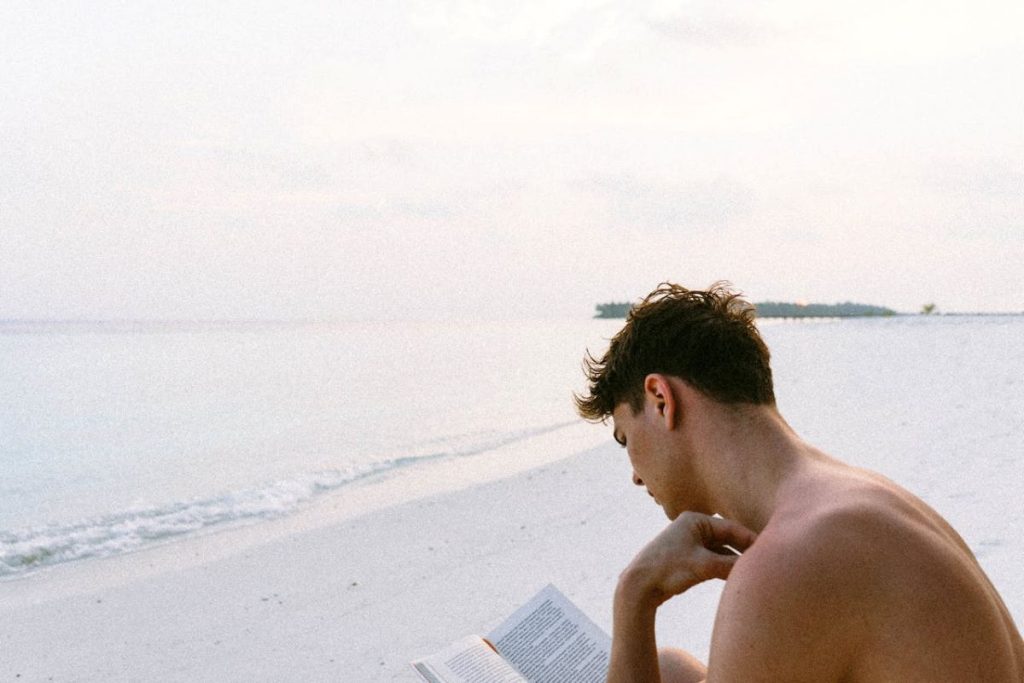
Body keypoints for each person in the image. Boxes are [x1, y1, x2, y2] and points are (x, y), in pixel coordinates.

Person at [575, 282, 1023, 682]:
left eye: (624, 438)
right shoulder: (858, 501)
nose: (635, 473)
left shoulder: (791, 560)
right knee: (671, 671)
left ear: (659, 399)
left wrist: (635, 594)